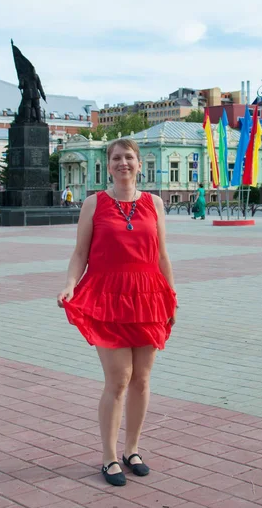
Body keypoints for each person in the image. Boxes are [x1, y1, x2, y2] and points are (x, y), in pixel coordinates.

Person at [57, 139, 177, 487]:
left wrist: (171, 295)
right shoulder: (94, 203)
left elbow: (162, 255)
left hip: (148, 296)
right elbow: (80, 253)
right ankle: (109, 456)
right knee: (119, 379)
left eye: (129, 158)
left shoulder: (154, 204)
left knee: (141, 379)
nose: (123, 163)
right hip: (107, 297)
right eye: (116, 158)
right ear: (108, 165)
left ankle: (132, 449)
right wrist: (69, 284)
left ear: (140, 165)